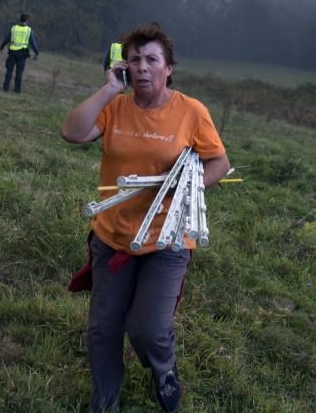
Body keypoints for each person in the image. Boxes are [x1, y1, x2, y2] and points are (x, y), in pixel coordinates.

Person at [61, 22, 231, 413]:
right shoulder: (115, 106)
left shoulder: (190, 112)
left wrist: (190, 186)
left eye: (151, 59)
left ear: (168, 67)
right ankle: (105, 402)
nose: (142, 67)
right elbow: (71, 132)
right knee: (104, 329)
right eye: (134, 59)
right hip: (113, 236)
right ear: (124, 67)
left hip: (166, 239)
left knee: (148, 329)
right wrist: (108, 90)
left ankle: (164, 369)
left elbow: (219, 162)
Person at [0, 13, 39, 93]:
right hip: (22, 53)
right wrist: (36, 52)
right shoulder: (28, 30)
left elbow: (7, 39)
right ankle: (17, 90)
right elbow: (32, 42)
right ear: (27, 21)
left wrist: (1, 47)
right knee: (19, 72)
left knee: (9, 71)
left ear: (20, 19)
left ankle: (5, 88)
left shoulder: (14, 28)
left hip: (12, 52)